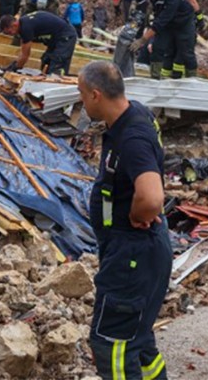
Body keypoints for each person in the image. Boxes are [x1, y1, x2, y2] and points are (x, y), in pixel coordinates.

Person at [78, 61, 171, 380]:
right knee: (138, 340)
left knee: (111, 344)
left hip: (132, 255)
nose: (81, 103)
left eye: (81, 96)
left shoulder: (131, 137)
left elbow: (152, 196)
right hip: (140, 253)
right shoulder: (136, 114)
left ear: (95, 94)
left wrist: (137, 212)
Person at [129, 0, 196, 80]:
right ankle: (155, 78)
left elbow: (159, 24)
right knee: (157, 48)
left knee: (187, 52)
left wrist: (143, 39)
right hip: (166, 23)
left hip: (183, 22)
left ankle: (192, 80)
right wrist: (133, 2)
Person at [0, 10, 78, 76]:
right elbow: (22, 51)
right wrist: (13, 65)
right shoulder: (23, 24)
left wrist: (13, 70)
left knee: (57, 63)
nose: (11, 34)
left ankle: (57, 85)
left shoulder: (26, 27)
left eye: (10, 32)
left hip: (66, 36)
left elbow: (25, 56)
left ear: (14, 25)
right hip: (55, 38)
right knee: (46, 61)